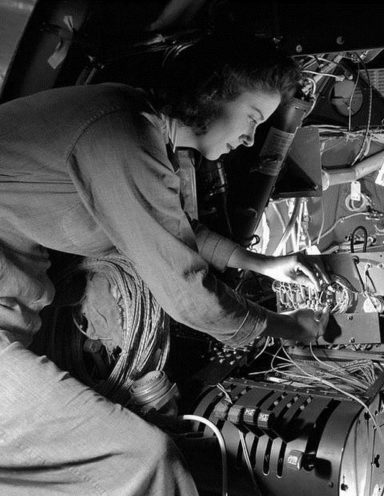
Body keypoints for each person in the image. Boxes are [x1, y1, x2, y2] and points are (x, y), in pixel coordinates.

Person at [0, 35, 329, 495]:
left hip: (12, 312)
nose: (251, 138)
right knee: (145, 460)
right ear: (213, 95)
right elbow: (190, 298)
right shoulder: (120, 132)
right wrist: (289, 327)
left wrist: (263, 263)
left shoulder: (130, 121)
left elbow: (172, 228)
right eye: (253, 119)